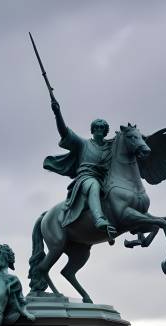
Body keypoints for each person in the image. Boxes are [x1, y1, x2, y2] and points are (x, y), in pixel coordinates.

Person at [43, 101, 117, 245]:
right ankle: (98, 218)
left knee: (122, 194)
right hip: (86, 179)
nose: (99, 129)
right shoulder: (83, 144)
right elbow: (64, 132)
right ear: (93, 130)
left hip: (105, 181)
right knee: (93, 185)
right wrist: (57, 113)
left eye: (102, 127)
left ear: (106, 130)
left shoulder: (110, 147)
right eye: (97, 127)